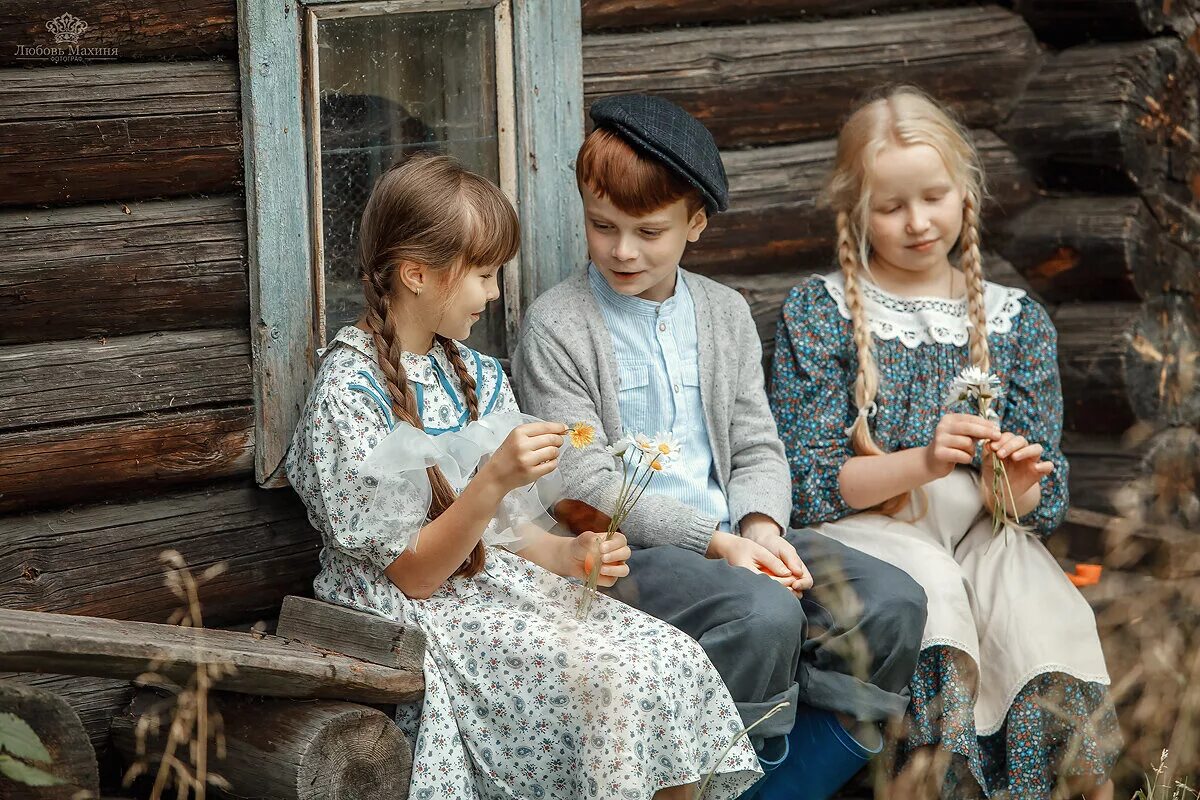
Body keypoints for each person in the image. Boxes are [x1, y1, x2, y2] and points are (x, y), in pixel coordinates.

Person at [286, 153, 761, 800]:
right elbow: (417, 574)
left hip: (493, 590)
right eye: (483, 275)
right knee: (612, 677)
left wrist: (569, 554)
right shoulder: (350, 393)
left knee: (668, 658)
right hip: (411, 611)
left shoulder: (477, 375)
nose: (494, 293)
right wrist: (492, 481)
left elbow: (511, 532)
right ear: (418, 275)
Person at [514, 94, 928, 799]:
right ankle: (721, 776)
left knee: (890, 600)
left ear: (695, 224)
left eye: (649, 231)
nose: (621, 249)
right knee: (761, 612)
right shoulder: (558, 323)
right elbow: (581, 483)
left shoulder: (723, 313)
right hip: (627, 553)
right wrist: (719, 544)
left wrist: (762, 529)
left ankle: (788, 784)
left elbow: (757, 445)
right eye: (601, 225)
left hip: (734, 536)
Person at [768, 86, 1121, 799]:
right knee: (935, 593)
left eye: (933, 197)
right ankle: (939, 785)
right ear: (856, 212)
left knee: (1037, 611)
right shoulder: (822, 310)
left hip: (983, 532)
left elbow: (1037, 504)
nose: (918, 222)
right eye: (891, 207)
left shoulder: (1017, 320)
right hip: (870, 529)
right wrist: (926, 462)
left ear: (967, 191)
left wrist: (1016, 483)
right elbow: (806, 484)